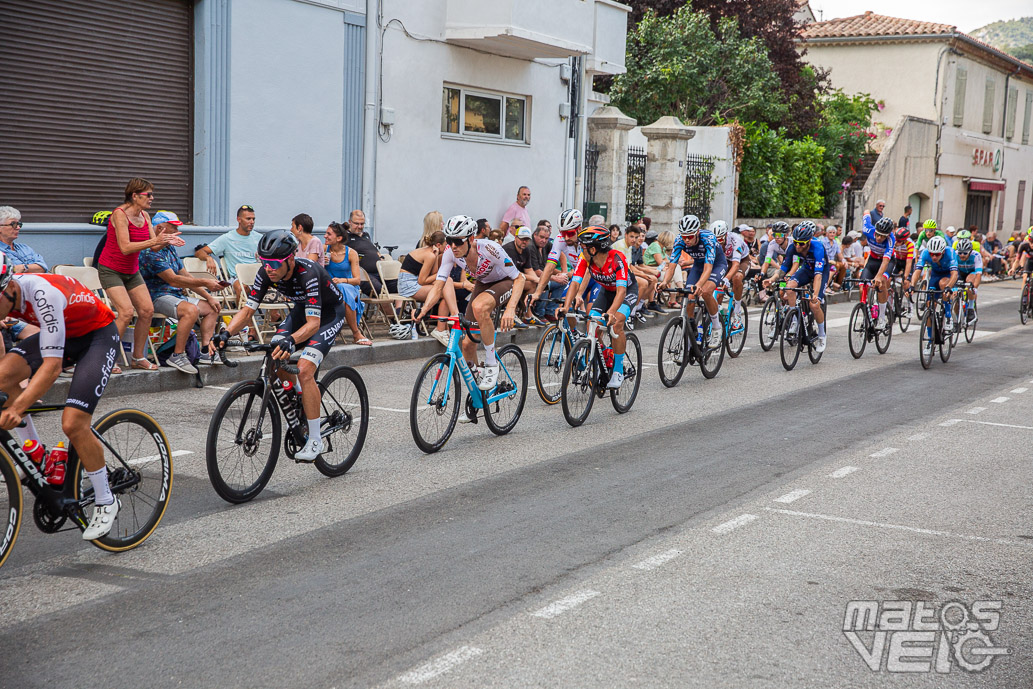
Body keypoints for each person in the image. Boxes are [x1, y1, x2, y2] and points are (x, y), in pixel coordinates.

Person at [0, 255, 123, 539]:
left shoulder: (42, 293)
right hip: (66, 334)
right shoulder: (9, 295)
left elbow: (52, 367)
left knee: (73, 423)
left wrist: (17, 407)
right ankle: (34, 452)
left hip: (97, 338)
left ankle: (106, 500)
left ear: (8, 289)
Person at [211, 230, 348, 461]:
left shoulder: (308, 273)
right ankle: (297, 398)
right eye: (264, 262)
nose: (269, 268)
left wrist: (292, 340)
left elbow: (314, 324)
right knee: (275, 353)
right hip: (300, 313)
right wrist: (225, 333)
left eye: (274, 263)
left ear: (290, 259)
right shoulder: (266, 273)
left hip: (327, 316)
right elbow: (247, 311)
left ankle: (315, 440)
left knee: (305, 369)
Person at [417, 215, 524, 393]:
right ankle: (477, 397)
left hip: (505, 281)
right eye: (449, 241)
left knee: (479, 306)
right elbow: (438, 286)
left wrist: (511, 309)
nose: (453, 246)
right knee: (467, 345)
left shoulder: (491, 248)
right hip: (483, 284)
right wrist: (423, 310)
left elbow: (519, 278)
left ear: (472, 239)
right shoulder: (450, 253)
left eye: (458, 242)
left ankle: (491, 363)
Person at [99, 178, 183, 372]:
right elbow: (125, 247)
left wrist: (166, 241)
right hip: (111, 269)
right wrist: (158, 239)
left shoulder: (145, 215)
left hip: (131, 270)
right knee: (126, 312)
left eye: (152, 194)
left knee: (147, 311)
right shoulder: (120, 214)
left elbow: (153, 247)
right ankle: (107, 359)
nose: (152, 198)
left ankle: (138, 357)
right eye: (148, 194)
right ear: (135, 195)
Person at [139, 211, 225, 372]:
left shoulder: (170, 248)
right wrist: (206, 282)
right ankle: (177, 355)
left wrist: (208, 296)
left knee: (213, 307)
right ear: (159, 229)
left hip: (175, 295)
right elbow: (173, 279)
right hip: (156, 297)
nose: (177, 231)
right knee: (190, 311)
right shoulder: (150, 251)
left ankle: (206, 350)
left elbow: (185, 276)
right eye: (172, 227)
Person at [558, 226, 637, 389]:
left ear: (593, 249)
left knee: (616, 324)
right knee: (591, 326)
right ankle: (605, 356)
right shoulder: (586, 259)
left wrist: (611, 313)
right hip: (606, 292)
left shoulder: (617, 258)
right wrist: (566, 308)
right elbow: (575, 283)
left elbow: (622, 291)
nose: (580, 249)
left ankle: (617, 370)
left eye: (583, 247)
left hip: (627, 292)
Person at [658, 215, 727, 348]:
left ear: (697, 233)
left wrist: (699, 285)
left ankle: (717, 328)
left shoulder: (708, 239)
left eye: (690, 236)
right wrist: (665, 282)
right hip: (698, 266)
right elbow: (672, 266)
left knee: (706, 292)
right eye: (684, 236)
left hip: (716, 265)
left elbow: (708, 268)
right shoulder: (679, 240)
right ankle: (692, 336)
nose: (687, 240)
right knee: (689, 297)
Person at [763, 221, 830, 353]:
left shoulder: (817, 247)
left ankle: (822, 335)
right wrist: (771, 279)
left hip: (820, 272)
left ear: (809, 241)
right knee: (789, 287)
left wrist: (815, 294)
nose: (798, 246)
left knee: (814, 305)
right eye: (795, 242)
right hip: (806, 269)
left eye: (801, 244)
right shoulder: (793, 247)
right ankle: (794, 318)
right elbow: (784, 268)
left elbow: (817, 276)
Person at [195, 204, 260, 301]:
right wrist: (208, 258)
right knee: (241, 288)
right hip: (238, 278)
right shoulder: (227, 238)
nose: (252, 222)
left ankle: (275, 316)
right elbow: (200, 252)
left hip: (258, 276)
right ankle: (242, 315)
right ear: (239, 219)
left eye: (253, 219)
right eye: (248, 219)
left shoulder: (259, 238)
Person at [528, 209, 584, 320]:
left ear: (580, 229)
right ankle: (572, 333)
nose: (566, 237)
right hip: (578, 276)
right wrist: (538, 292)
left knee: (594, 316)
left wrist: (579, 293)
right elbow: (549, 267)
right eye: (563, 233)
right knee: (565, 307)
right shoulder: (560, 240)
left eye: (570, 233)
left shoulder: (587, 241)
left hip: (593, 277)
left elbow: (587, 271)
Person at [324, 222, 371, 346]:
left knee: (343, 290)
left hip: (349, 287)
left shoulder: (351, 253)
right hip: (329, 289)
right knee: (340, 293)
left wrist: (342, 280)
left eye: (329, 234)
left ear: (339, 238)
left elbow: (357, 280)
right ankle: (355, 333)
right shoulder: (324, 250)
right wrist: (321, 263)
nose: (325, 236)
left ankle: (340, 333)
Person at [910, 235, 959, 339]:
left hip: (948, 275)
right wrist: (912, 285)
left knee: (943, 285)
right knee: (929, 306)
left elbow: (955, 274)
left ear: (943, 252)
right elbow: (917, 271)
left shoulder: (950, 252)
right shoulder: (925, 253)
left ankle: (948, 316)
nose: (934, 257)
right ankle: (930, 339)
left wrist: (949, 287)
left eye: (937, 254)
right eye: (932, 254)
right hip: (935, 275)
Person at [860, 216, 897, 330]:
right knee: (862, 286)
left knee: (881, 282)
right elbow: (866, 214)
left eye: (882, 236)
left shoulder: (891, 239)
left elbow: (886, 261)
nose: (879, 238)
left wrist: (878, 277)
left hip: (887, 261)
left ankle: (881, 318)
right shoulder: (868, 230)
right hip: (873, 259)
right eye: (877, 234)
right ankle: (866, 315)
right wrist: (867, 214)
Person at [504, 226, 540, 327]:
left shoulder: (526, 250)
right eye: (522, 239)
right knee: (519, 283)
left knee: (533, 284)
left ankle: (528, 315)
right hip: (503, 279)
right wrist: (535, 278)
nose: (524, 242)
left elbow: (529, 269)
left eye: (527, 239)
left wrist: (538, 281)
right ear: (515, 237)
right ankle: (512, 314)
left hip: (517, 278)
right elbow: (513, 272)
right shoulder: (509, 249)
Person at [712, 220, 748, 321]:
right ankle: (717, 315)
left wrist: (727, 278)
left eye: (720, 239)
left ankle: (737, 311)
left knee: (736, 278)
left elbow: (736, 265)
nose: (718, 241)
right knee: (718, 289)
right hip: (725, 261)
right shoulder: (711, 240)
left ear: (725, 234)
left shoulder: (735, 240)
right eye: (716, 239)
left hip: (742, 260)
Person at [0, 207, 48, 273]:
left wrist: (23, 268)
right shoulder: (1, 252)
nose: (18, 227)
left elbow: (43, 267)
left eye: (19, 224)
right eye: (13, 224)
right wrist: (32, 268)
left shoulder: (24, 248)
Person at [887, 226, 915, 316]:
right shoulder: (893, 241)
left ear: (904, 240)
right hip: (898, 261)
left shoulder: (910, 245)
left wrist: (905, 276)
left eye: (899, 241)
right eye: (896, 240)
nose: (897, 242)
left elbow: (909, 262)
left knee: (905, 282)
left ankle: (910, 306)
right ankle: (889, 303)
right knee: (888, 278)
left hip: (907, 261)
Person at [954, 238, 983, 323]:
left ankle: (970, 308)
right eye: (960, 253)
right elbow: (952, 273)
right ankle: (957, 320)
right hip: (960, 273)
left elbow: (978, 275)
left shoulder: (976, 255)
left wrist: (975, 288)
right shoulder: (954, 255)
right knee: (955, 296)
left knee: (969, 283)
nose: (962, 255)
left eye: (965, 253)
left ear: (970, 251)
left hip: (971, 273)